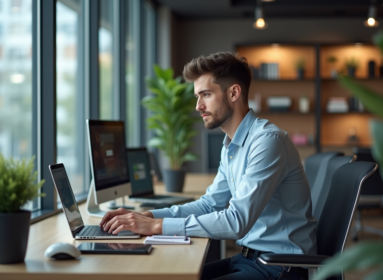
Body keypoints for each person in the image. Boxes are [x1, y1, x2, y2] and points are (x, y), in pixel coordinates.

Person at [100, 52, 316, 280]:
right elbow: (210, 205)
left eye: (205, 95)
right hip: (249, 259)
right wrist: (148, 216)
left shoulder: (268, 142)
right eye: (197, 96)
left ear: (233, 92)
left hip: (280, 267)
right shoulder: (230, 146)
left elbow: (237, 221)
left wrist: (157, 226)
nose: (198, 106)